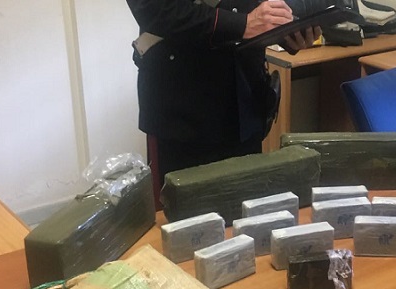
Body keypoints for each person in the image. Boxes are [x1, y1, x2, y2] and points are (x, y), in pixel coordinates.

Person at [126, 0, 322, 194]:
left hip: (245, 106)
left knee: (250, 207)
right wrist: (242, 24)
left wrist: (287, 29)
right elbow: (154, 9)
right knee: (185, 210)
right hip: (182, 119)